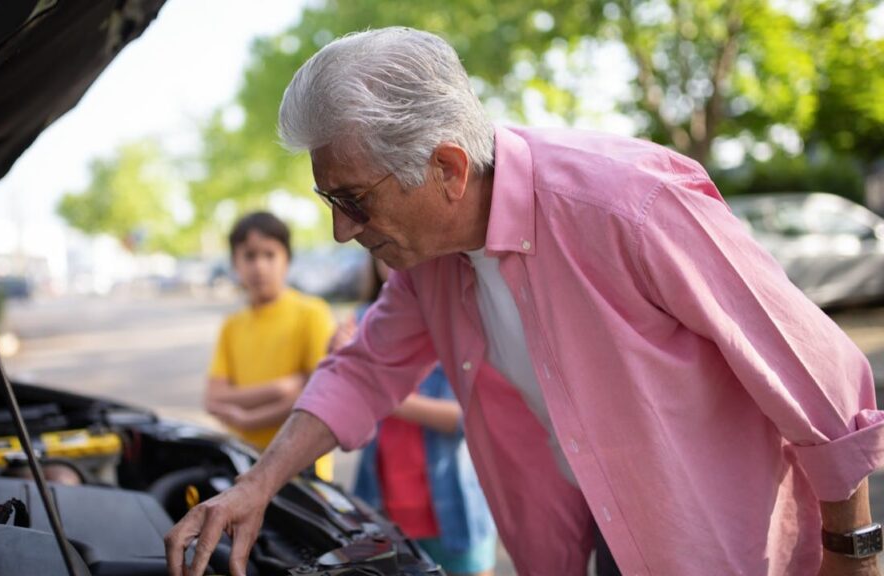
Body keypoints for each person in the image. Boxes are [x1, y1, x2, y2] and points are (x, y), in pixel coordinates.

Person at [167, 28, 884, 576]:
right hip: (595, 539)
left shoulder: (629, 204)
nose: (340, 230)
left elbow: (816, 375)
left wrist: (853, 551)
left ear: (446, 166)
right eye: (329, 201)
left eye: (353, 200)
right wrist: (255, 486)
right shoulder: (429, 261)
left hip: (722, 548)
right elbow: (362, 370)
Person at [337, 257, 497, 576]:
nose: (394, 255)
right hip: (382, 507)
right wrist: (342, 367)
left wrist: (378, 390)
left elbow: (468, 419)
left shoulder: (465, 318)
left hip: (455, 512)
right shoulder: (360, 321)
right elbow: (343, 417)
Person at [203, 211, 335, 480]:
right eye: (249, 256)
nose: (259, 266)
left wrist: (248, 419)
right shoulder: (233, 325)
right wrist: (282, 388)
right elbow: (213, 397)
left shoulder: (312, 313)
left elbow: (319, 395)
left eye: (269, 254)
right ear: (234, 263)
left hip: (301, 463)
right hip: (245, 462)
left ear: (287, 259)